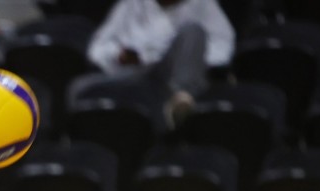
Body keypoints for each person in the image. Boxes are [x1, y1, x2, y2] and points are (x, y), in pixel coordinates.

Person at [77, 0, 235, 124]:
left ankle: (180, 107)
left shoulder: (203, 4)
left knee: (193, 32)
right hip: (138, 74)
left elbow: (224, 47)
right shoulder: (131, 4)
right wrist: (118, 55)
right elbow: (96, 49)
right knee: (80, 87)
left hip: (174, 76)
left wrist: (191, 57)